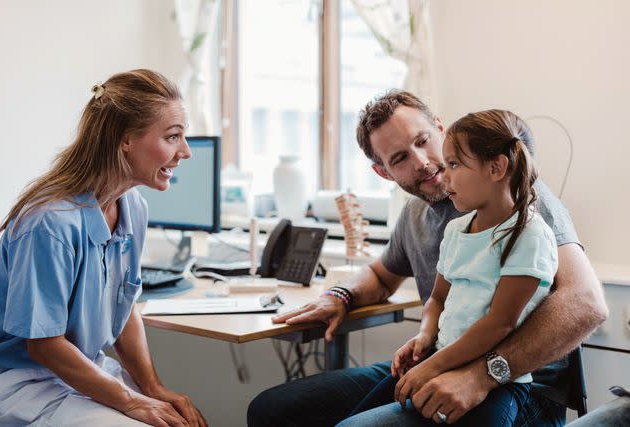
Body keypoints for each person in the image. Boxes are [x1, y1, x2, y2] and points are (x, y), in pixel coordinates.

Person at [247, 91, 608, 426]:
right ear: (383, 172)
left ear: (439, 127)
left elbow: (587, 304)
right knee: (271, 410)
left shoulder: (517, 198)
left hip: (516, 383)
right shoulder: (417, 216)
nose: (422, 162)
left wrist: (481, 374)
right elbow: (381, 275)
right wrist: (340, 296)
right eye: (400, 158)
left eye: (422, 141)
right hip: (442, 358)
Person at [0, 69, 207, 426]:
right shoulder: (50, 222)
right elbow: (43, 345)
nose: (185, 152)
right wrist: (133, 403)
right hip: (21, 383)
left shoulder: (132, 207)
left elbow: (124, 305)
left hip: (81, 374)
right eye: (173, 137)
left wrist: (152, 387)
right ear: (124, 140)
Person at [346, 109, 559, 426]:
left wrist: (430, 367)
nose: (444, 174)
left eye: (455, 165)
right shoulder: (457, 231)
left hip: (496, 380)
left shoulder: (530, 235)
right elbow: (438, 299)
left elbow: (499, 323)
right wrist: (425, 335)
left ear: (496, 168)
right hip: (440, 357)